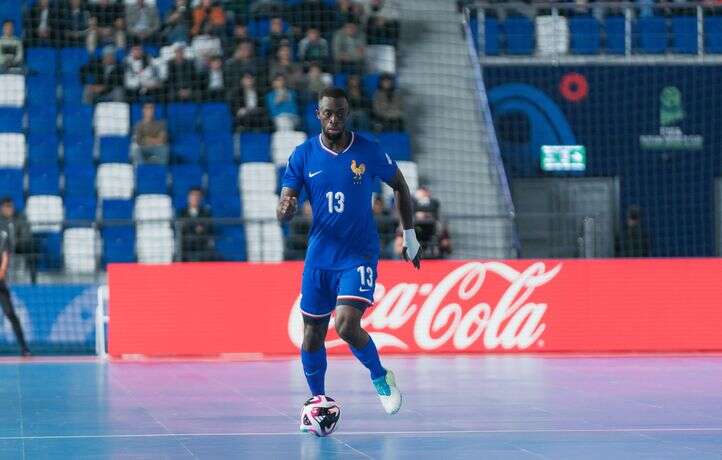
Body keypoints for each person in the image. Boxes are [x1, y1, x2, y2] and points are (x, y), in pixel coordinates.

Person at [277, 87, 421, 425]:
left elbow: (399, 185)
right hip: (320, 258)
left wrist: (410, 234)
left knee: (344, 324)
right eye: (327, 113)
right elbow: (286, 197)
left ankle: (379, 376)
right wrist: (285, 206)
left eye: (339, 112)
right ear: (318, 114)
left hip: (358, 254)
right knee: (312, 332)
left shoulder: (368, 150)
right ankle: (317, 398)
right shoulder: (302, 155)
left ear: (347, 113)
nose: (333, 119)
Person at [0, 200, 31, 356]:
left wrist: (2, 272)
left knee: (10, 313)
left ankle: (24, 348)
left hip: (0, 283)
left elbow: (5, 255)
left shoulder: (3, 234)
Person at [0, 198, 35, 283]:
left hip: (18, 245)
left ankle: (33, 281)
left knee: (30, 249)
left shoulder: (20, 217)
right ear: (1, 208)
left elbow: (26, 234)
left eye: (10, 206)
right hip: (2, 247)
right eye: (6, 207)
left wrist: (15, 242)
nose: (8, 209)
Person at [179, 188, 214, 262]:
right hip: (186, 246)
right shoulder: (181, 213)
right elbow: (179, 227)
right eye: (193, 195)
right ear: (188, 197)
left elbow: (208, 228)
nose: (195, 198)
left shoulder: (206, 213)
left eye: (198, 196)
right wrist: (194, 228)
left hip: (201, 246)